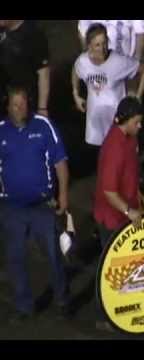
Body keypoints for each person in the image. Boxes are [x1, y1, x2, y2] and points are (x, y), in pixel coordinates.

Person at [0, 85, 70, 324]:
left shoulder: (43, 125)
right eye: (16, 104)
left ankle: (62, 300)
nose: (21, 109)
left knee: (53, 255)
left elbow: (60, 163)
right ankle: (24, 306)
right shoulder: (0, 131)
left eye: (24, 103)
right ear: (7, 107)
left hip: (43, 205)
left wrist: (63, 196)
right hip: (12, 208)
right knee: (16, 258)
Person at [93, 96, 144, 331]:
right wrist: (129, 211)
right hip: (113, 218)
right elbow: (110, 191)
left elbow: (131, 169)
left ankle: (123, 309)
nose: (140, 126)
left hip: (127, 212)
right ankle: (105, 317)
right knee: (111, 269)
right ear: (124, 121)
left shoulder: (130, 138)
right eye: (137, 122)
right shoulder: (113, 147)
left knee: (127, 267)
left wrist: (138, 191)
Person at [72, 23, 144, 148]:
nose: (102, 48)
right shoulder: (83, 62)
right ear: (89, 46)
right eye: (97, 45)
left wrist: (138, 97)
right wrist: (75, 94)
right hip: (95, 129)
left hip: (117, 126)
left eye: (104, 43)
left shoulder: (119, 62)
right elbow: (75, 71)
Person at [0, 20, 50, 118]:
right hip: (3, 101)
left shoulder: (33, 33)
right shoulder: (2, 31)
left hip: (25, 102)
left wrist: (42, 108)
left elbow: (43, 73)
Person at [78, 20, 144, 60]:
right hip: (97, 59)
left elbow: (140, 32)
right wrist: (87, 56)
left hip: (124, 60)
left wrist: (136, 58)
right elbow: (83, 33)